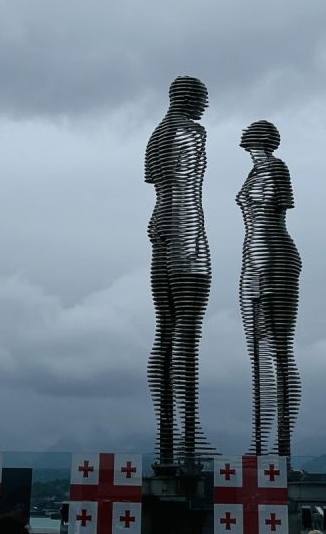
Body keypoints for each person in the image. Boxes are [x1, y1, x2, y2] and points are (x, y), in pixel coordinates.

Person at [146, 74, 216, 463]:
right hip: (185, 233)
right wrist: (192, 243)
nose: (205, 106)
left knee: (166, 330)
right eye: (203, 99)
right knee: (187, 334)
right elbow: (188, 185)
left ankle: (168, 442)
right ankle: (190, 442)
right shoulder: (191, 131)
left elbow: (156, 183)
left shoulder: (156, 134)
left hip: (158, 232)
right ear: (193, 100)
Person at [237, 119, 302, 458]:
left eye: (250, 132)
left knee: (279, 349)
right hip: (254, 260)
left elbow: (274, 213)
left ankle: (283, 446)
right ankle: (261, 443)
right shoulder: (254, 172)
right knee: (258, 353)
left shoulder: (276, 168)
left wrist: (261, 265)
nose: (242, 136)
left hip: (275, 257)